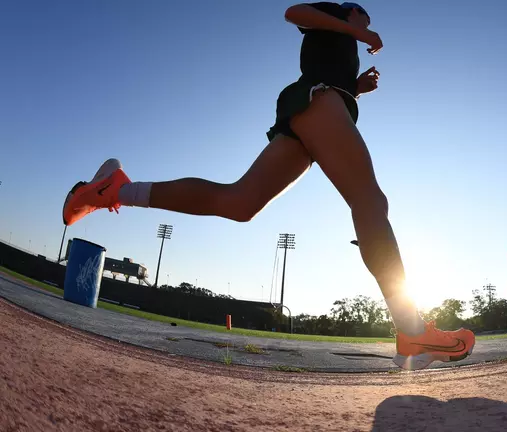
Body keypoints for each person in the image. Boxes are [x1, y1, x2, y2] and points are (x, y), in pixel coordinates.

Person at [62, 2, 474, 370]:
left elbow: (327, 68)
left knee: (239, 202)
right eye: (365, 15)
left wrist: (356, 88)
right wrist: (358, 32)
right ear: (352, 12)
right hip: (317, 101)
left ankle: (116, 190)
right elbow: (293, 12)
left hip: (315, 109)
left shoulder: (342, 46)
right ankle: (411, 326)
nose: (369, 23)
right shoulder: (337, 17)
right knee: (370, 202)